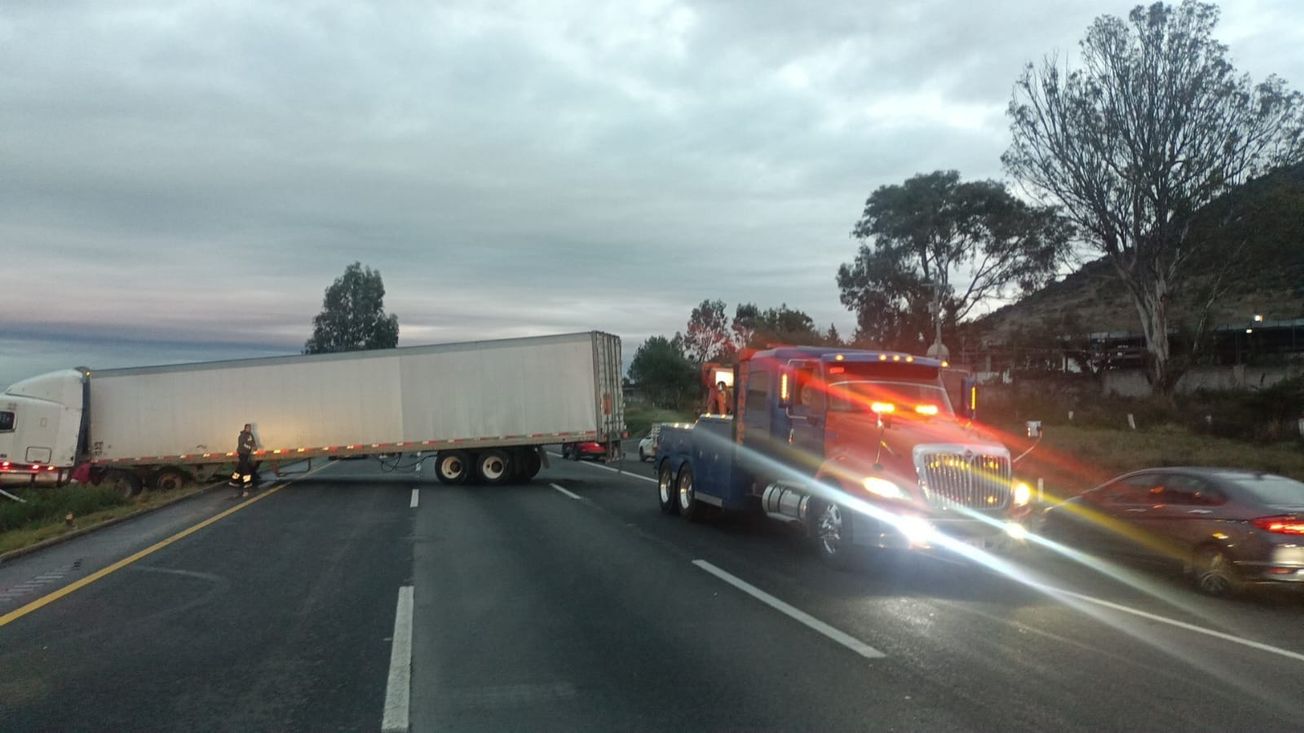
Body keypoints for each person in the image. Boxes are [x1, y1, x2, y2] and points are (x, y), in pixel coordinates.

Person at [229, 423, 257, 497]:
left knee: (240, 467)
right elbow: (242, 444)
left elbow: (253, 442)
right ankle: (247, 482)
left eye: (250, 428)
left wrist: (254, 446)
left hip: (247, 453)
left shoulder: (250, 435)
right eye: (248, 428)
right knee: (245, 467)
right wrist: (250, 448)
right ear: (245, 428)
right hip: (242, 453)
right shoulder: (242, 436)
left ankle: (233, 481)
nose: (249, 429)